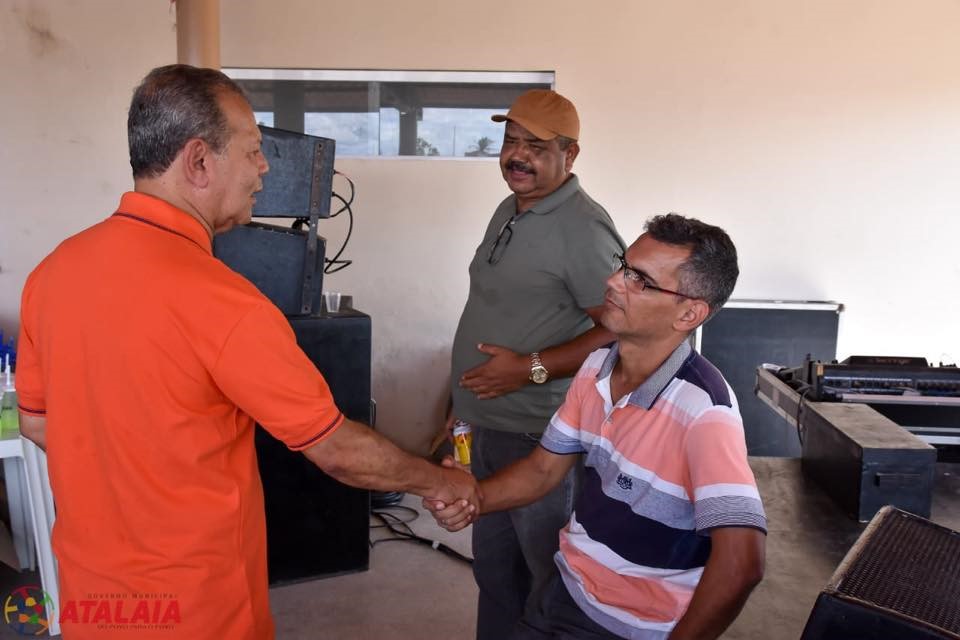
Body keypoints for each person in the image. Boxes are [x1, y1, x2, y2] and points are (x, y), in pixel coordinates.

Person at [15, 64, 479, 640]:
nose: (264, 168)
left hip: (91, 601)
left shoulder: (52, 273)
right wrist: (438, 482)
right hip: (198, 611)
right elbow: (337, 450)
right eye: (253, 150)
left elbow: (37, 423)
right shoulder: (223, 301)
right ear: (199, 161)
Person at [434, 214, 767, 639]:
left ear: (689, 313)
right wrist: (473, 498)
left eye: (640, 281)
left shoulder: (704, 411)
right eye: (623, 266)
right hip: (569, 587)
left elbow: (742, 563)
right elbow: (542, 471)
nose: (612, 282)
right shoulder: (596, 368)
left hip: (633, 623)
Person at [448, 88, 625, 639]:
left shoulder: (583, 227)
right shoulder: (511, 208)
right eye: (510, 142)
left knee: (547, 577)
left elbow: (619, 328)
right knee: (496, 572)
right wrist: (459, 404)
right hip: (488, 426)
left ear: (570, 155)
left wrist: (531, 368)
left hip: (539, 435)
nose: (517, 156)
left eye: (536, 147)